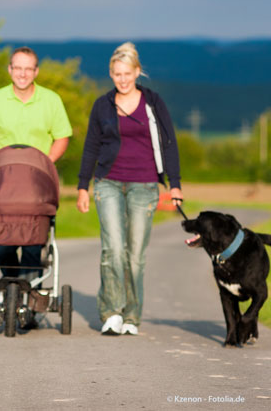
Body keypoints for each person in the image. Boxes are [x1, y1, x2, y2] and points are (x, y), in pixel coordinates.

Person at [76, 42, 183, 336]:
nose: (122, 80)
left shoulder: (153, 103)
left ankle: (132, 316)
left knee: (135, 254)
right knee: (112, 249)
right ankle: (111, 312)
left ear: (138, 72)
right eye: (116, 74)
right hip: (108, 182)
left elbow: (169, 144)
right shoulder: (103, 105)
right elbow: (91, 147)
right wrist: (83, 186)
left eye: (127, 73)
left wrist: (174, 185)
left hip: (145, 186)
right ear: (110, 74)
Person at [0, 47, 72, 280]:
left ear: (36, 72)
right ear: (10, 70)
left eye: (28, 69)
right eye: (18, 68)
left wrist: (46, 164)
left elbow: (62, 137)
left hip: (37, 182)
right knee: (2, 244)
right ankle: (13, 286)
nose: (22, 74)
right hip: (3, 183)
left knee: (33, 242)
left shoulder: (51, 100)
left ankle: (26, 292)